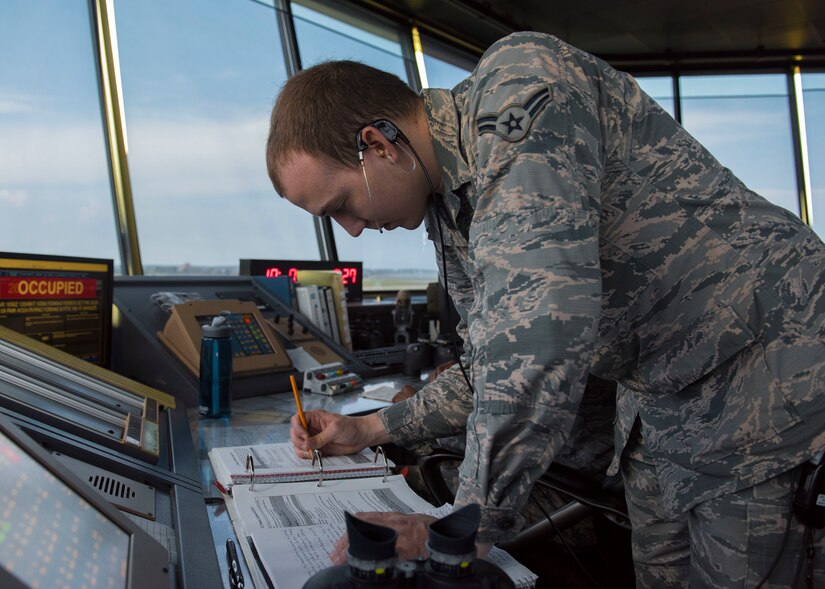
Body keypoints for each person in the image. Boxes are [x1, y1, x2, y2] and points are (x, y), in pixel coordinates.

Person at [266, 31, 825, 588]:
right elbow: (489, 368)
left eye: (341, 206)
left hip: (763, 371)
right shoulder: (449, 209)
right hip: (661, 400)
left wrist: (462, 527)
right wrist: (368, 430)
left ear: (379, 145)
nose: (353, 230)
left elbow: (537, 336)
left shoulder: (519, 83)